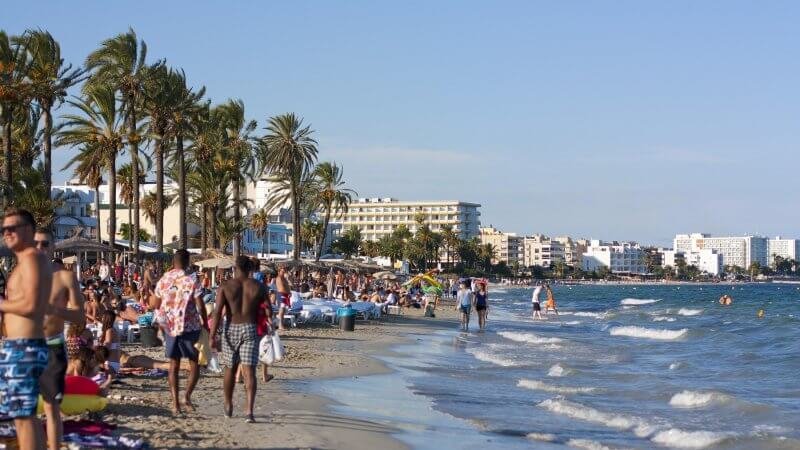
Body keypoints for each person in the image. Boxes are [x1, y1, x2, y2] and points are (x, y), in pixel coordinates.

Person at [0, 209, 52, 450]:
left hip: (25, 346)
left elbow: (32, 305)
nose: (6, 233)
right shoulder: (25, 261)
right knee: (23, 418)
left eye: (13, 227)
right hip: (19, 346)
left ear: (29, 230)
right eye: (3, 229)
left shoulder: (32, 257)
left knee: (23, 418)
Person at [34, 229, 86, 450]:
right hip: (24, 346)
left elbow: (80, 316)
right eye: (35, 244)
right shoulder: (20, 274)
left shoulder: (65, 277)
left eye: (45, 244)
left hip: (52, 345)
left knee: (51, 408)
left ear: (53, 247)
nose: (39, 249)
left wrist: (55, 310)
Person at [210, 256, 268, 423]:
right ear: (250, 269)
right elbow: (268, 310)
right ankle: (249, 411)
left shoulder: (225, 286)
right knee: (249, 370)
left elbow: (217, 313)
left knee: (230, 368)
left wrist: (212, 336)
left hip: (231, 328)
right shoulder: (258, 286)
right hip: (250, 328)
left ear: (235, 268)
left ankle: (228, 404)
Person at [151, 250, 207, 415]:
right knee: (194, 364)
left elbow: (155, 302)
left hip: (170, 327)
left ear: (173, 262)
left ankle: (175, 404)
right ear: (188, 262)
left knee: (173, 365)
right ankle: (187, 397)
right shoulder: (191, 280)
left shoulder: (163, 280)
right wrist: (205, 323)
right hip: (190, 326)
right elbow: (200, 304)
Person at [274, 266, 291, 331]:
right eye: (283, 268)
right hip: (281, 294)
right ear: (279, 270)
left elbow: (287, 286)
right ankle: (280, 325)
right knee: (281, 311)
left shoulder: (284, 278)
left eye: (285, 268)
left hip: (285, 294)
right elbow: (281, 288)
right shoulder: (279, 278)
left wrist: (289, 292)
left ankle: (280, 324)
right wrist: (288, 292)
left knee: (283, 311)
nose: (284, 269)